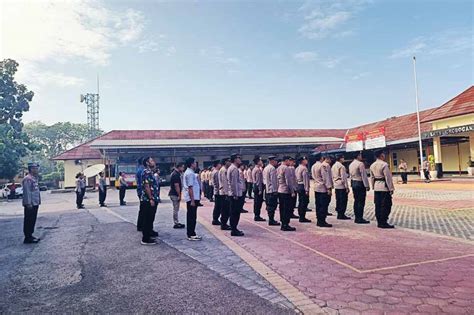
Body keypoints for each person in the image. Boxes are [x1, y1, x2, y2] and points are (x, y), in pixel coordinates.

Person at [370, 150, 395, 229]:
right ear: (381, 155)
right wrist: (391, 188)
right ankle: (383, 222)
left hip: (377, 187)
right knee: (386, 205)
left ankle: (379, 221)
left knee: (378, 205)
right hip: (384, 187)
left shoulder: (372, 165)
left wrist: (373, 186)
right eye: (383, 154)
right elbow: (388, 177)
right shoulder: (384, 165)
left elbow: (372, 177)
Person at [140, 157, 160, 245]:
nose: (154, 162)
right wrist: (151, 198)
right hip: (148, 199)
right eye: (152, 161)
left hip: (153, 198)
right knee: (147, 218)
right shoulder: (146, 172)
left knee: (151, 217)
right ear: (147, 163)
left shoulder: (150, 172)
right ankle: (145, 238)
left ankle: (150, 233)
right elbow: (147, 186)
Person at [182, 157, 202, 241]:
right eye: (194, 162)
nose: (195, 164)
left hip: (193, 197)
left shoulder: (190, 172)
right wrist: (193, 200)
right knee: (192, 216)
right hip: (192, 198)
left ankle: (191, 233)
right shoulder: (190, 173)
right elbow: (190, 187)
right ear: (191, 164)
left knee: (192, 216)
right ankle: (191, 234)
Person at [22, 163, 41, 244]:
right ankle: (27, 237)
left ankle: (30, 235)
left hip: (35, 203)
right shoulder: (27, 179)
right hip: (30, 204)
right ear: (31, 169)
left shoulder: (33, 178)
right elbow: (27, 192)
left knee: (33, 220)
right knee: (29, 220)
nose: (37, 170)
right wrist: (28, 203)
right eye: (35, 168)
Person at [349, 152, 370, 224]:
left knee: (356, 200)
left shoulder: (351, 164)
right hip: (360, 183)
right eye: (360, 155)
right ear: (358, 156)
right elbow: (364, 175)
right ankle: (360, 218)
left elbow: (350, 175)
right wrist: (367, 185)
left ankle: (356, 217)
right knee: (361, 201)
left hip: (353, 182)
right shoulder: (360, 164)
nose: (361, 156)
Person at [312, 155, 333, 228]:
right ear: (321, 158)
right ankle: (322, 221)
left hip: (316, 187)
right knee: (323, 205)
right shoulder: (322, 166)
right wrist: (329, 188)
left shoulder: (313, 166)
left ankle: (319, 220)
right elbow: (325, 178)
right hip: (322, 188)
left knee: (318, 205)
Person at [277, 156, 297, 231]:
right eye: (289, 160)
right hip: (286, 191)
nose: (290, 162)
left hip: (280, 190)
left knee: (282, 208)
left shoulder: (279, 167)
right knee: (286, 209)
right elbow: (288, 181)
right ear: (286, 160)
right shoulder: (286, 168)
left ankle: (283, 223)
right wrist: (292, 191)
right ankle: (286, 224)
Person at [227, 154, 245, 236]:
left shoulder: (232, 168)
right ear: (235, 159)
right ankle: (234, 230)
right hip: (235, 194)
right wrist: (235, 194)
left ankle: (234, 228)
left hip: (234, 193)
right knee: (235, 212)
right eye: (238, 158)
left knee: (234, 212)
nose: (240, 159)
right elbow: (233, 183)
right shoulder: (234, 169)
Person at [332, 154, 351, 220]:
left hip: (336, 184)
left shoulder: (333, 166)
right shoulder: (341, 166)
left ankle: (339, 213)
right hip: (341, 185)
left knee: (338, 200)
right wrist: (347, 187)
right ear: (340, 158)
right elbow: (344, 178)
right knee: (343, 200)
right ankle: (341, 214)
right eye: (343, 158)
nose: (343, 159)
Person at [263, 156, 280, 226]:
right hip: (272, 190)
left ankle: (271, 219)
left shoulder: (266, 168)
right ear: (272, 161)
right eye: (276, 161)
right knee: (272, 205)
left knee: (269, 205)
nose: (276, 162)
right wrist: (275, 190)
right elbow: (274, 181)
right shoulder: (272, 168)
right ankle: (271, 220)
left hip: (267, 189)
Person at [169, 162, 185, 229]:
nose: (183, 168)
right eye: (183, 167)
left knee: (176, 209)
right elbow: (176, 186)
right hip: (174, 194)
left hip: (173, 193)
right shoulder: (175, 174)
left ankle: (176, 222)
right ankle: (176, 223)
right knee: (176, 209)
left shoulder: (175, 173)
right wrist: (179, 195)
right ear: (179, 167)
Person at [295, 156, 311, 223]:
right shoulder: (304, 168)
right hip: (303, 186)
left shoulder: (297, 168)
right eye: (305, 160)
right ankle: (302, 217)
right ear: (302, 161)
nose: (306, 161)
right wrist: (307, 189)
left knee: (300, 201)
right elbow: (305, 180)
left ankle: (301, 216)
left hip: (298, 185)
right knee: (304, 202)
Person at [218, 158, 232, 230]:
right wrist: (227, 194)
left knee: (226, 209)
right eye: (229, 161)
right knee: (225, 210)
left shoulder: (224, 169)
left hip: (224, 192)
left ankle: (224, 223)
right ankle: (223, 224)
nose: (230, 163)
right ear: (225, 162)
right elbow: (225, 183)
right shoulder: (224, 170)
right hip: (224, 193)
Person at [252, 156, 266, 222]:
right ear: (258, 162)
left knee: (257, 202)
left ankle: (256, 215)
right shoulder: (257, 170)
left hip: (256, 186)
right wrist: (260, 189)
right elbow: (258, 181)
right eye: (260, 161)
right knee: (258, 202)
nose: (261, 162)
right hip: (258, 187)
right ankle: (257, 216)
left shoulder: (256, 169)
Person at [211, 160, 222, 225]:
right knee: (218, 206)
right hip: (218, 191)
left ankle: (215, 219)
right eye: (220, 164)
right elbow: (218, 183)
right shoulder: (217, 172)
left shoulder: (213, 171)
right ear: (218, 165)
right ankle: (215, 219)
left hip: (215, 190)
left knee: (217, 206)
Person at [136, 157, 145, 232]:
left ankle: (140, 225)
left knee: (142, 209)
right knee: (144, 210)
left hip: (140, 191)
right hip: (143, 192)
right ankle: (141, 226)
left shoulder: (139, 169)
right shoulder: (142, 170)